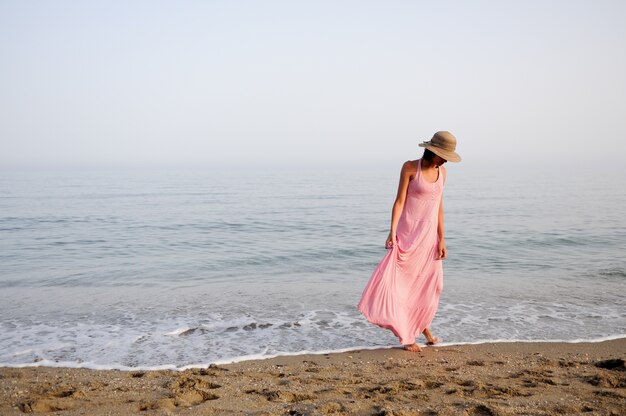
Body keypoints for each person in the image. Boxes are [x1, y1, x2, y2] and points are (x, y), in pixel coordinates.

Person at [358, 131, 461, 352]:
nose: (445, 161)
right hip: (408, 236)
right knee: (405, 287)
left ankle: (423, 329)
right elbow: (399, 201)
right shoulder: (410, 168)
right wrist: (392, 231)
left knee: (430, 286)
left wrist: (442, 239)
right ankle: (408, 336)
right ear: (433, 151)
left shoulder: (442, 172)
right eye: (443, 155)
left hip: (429, 239)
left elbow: (439, 207)